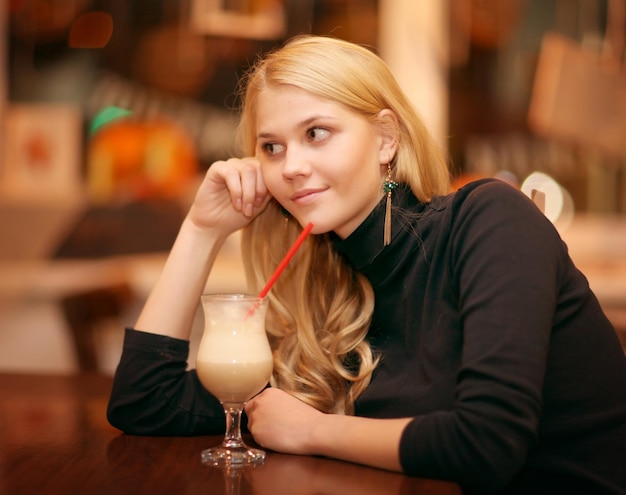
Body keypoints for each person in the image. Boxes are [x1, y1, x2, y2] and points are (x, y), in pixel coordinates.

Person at [107, 35, 626, 494]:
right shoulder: (324, 283)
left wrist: (311, 429)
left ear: (385, 139)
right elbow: (145, 402)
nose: (291, 167)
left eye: (317, 132)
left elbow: (487, 445)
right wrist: (201, 231)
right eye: (271, 146)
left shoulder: (489, 220)